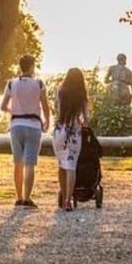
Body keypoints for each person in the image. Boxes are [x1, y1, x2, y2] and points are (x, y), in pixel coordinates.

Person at [0, 54, 50, 208]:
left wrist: (14, 110)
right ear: (32, 66)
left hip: (16, 125)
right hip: (33, 125)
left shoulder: (11, 83)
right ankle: (27, 198)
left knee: (18, 163)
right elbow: (45, 105)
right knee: (30, 164)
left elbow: (2, 106)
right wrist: (47, 120)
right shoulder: (39, 83)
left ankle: (18, 197)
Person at [52, 68, 91, 212]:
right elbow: (87, 119)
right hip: (74, 133)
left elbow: (56, 109)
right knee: (71, 165)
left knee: (62, 164)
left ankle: (63, 196)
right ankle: (68, 199)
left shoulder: (59, 92)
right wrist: (83, 123)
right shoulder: (81, 95)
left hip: (59, 131)